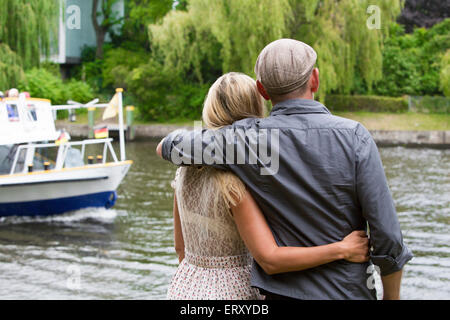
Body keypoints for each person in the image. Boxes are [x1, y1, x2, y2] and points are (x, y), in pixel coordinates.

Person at [158, 39, 413, 300]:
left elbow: (169, 146)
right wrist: (391, 297)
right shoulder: (355, 137)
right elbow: (388, 237)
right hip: (346, 292)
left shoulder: (246, 143)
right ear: (315, 79)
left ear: (263, 90)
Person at [166, 72, 370, 300]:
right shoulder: (236, 182)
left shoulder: (184, 170)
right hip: (235, 293)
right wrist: (342, 249)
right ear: (255, 108)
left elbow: (180, 248)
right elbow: (270, 259)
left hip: (185, 288)